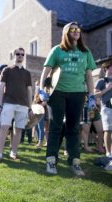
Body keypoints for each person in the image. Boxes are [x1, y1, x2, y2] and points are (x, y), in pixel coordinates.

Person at [39, 22, 96, 176]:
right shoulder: (57, 50)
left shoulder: (85, 51)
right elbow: (46, 71)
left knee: (73, 128)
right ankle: (51, 160)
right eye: (72, 29)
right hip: (57, 93)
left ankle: (75, 161)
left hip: (77, 94)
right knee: (56, 126)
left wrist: (91, 95)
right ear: (66, 33)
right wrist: (41, 90)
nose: (76, 31)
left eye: (78, 29)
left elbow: (89, 75)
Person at [0, 47, 33, 163]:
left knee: (19, 130)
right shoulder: (6, 70)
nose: (20, 56)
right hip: (8, 103)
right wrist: (0, 105)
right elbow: (1, 88)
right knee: (4, 127)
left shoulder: (27, 73)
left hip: (23, 105)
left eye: (22, 54)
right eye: (18, 54)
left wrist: (30, 108)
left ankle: (13, 152)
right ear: (14, 55)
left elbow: (29, 91)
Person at [95, 60, 112, 158]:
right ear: (107, 68)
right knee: (108, 130)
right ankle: (108, 153)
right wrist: (107, 89)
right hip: (106, 107)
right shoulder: (101, 81)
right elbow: (95, 94)